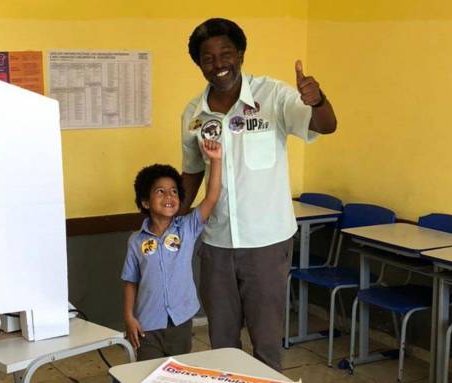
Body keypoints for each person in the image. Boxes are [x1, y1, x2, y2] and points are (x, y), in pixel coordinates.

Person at [180, 18, 337, 370]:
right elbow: (191, 171)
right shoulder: (193, 113)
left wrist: (319, 100)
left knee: (266, 342)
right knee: (221, 343)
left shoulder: (274, 96)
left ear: (241, 54)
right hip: (216, 243)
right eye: (208, 58)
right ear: (199, 64)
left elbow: (325, 125)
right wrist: (171, 223)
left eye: (226, 54)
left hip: (266, 243)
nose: (218, 64)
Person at [121, 139, 222, 360]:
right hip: (147, 324)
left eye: (174, 191)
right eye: (160, 191)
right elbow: (131, 281)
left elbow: (212, 196)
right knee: (149, 373)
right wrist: (129, 317)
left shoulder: (187, 227)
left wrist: (215, 161)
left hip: (180, 320)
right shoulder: (135, 241)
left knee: (177, 372)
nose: (169, 196)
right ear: (145, 202)